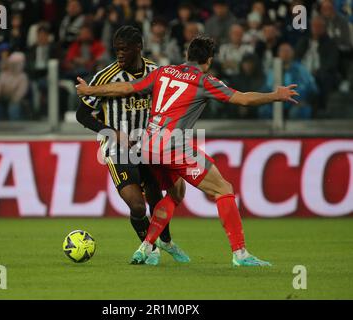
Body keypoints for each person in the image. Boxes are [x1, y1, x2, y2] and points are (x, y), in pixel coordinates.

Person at [76, 36, 299, 266]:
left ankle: (146, 246)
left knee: (176, 194)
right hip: (173, 146)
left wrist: (89, 89)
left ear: (186, 56)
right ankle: (240, 254)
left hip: (147, 145)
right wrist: (275, 95)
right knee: (223, 189)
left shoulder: (163, 72)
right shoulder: (205, 80)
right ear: (209, 60)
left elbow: (124, 88)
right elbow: (242, 99)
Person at [75, 26, 189, 266]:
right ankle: (152, 249)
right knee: (137, 205)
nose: (119, 55)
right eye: (116, 50)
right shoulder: (105, 77)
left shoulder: (156, 73)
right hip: (117, 149)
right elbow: (82, 115)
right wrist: (112, 132)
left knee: (157, 200)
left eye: (124, 50)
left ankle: (165, 242)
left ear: (138, 47)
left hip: (149, 146)